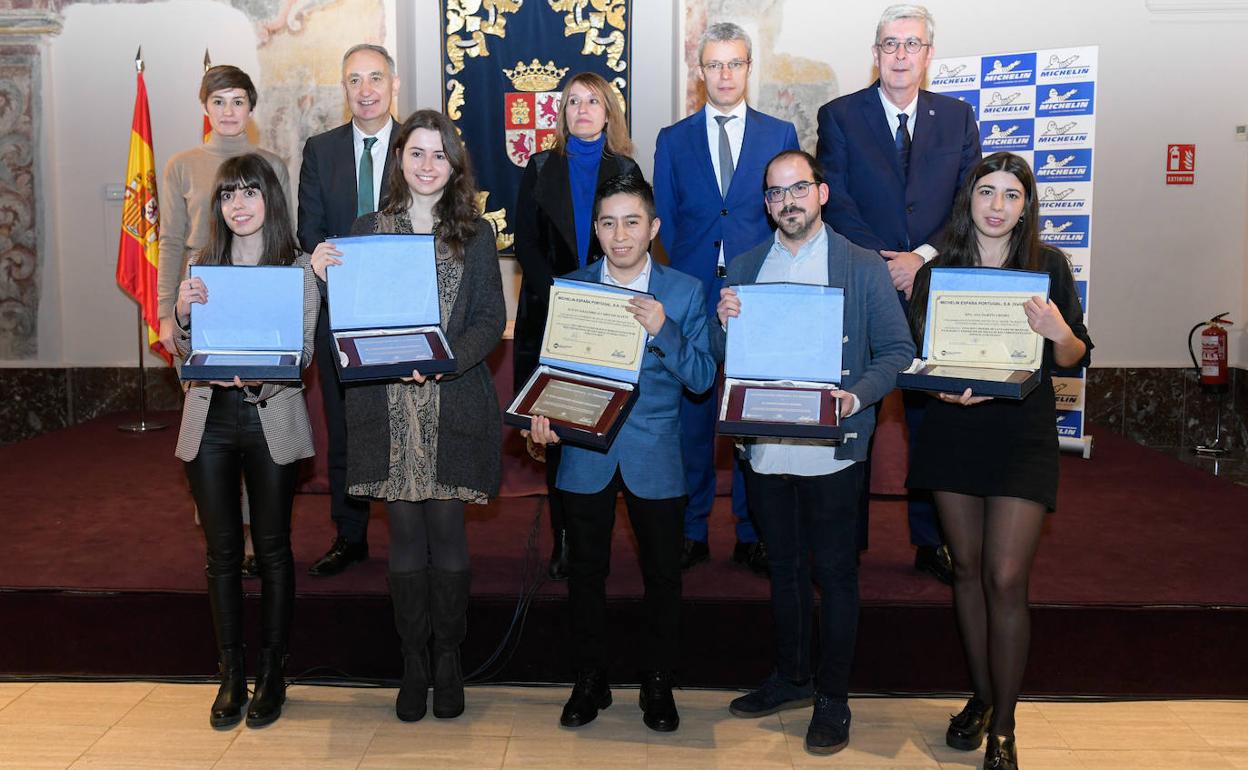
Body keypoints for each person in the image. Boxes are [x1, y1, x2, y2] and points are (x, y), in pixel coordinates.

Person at [311, 110, 505, 723]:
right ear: (399, 159)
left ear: (455, 165)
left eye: (438, 155)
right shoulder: (367, 229)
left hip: (450, 402)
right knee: (403, 538)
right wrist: (321, 274)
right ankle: (412, 662)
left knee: (446, 534)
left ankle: (447, 659)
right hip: (387, 403)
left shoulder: (475, 235)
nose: (427, 165)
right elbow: (351, 313)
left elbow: (489, 322)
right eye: (416, 153)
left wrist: (444, 361)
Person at [718, 151, 914, 755]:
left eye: (798, 188)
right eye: (775, 194)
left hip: (834, 451)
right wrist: (723, 323)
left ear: (822, 193)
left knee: (834, 574)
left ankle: (833, 697)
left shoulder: (860, 267)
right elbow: (732, 367)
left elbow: (897, 351)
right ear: (766, 203)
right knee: (782, 569)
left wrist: (854, 400)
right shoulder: (745, 270)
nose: (788, 202)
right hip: (768, 450)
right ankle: (791, 676)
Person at [906, 152, 1092, 770]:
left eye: (1011, 195)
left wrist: (1056, 328)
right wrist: (936, 386)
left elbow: (1073, 356)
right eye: (987, 192)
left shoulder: (1048, 268)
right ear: (970, 199)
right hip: (953, 432)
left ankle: (1005, 728)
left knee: (1005, 578)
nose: (997, 205)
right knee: (966, 570)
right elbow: (914, 355)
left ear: (1026, 207)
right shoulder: (939, 275)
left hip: (1021, 435)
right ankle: (982, 697)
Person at [526, 174, 715, 733]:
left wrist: (666, 331)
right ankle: (591, 679)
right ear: (597, 230)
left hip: (655, 453)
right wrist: (543, 423)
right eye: (608, 223)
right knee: (585, 573)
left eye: (632, 221)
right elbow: (551, 374)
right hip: (584, 453)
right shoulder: (573, 287)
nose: (620, 234)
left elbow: (703, 378)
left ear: (653, 228)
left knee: (663, 576)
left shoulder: (683, 291)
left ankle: (658, 684)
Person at [814, 3, 980, 582]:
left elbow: (968, 201)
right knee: (855, 408)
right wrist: (880, 262)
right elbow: (833, 197)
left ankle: (932, 541)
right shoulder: (838, 115)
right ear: (876, 52)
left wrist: (921, 258)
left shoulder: (958, 119)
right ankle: (844, 542)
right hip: (863, 281)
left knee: (931, 422)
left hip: (935, 284)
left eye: (912, 44)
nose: (901, 55)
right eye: (890, 44)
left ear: (928, 54)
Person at [172, 154, 317, 729]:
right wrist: (182, 314)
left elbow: (303, 352)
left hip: (270, 417)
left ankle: (273, 672)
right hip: (209, 420)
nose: (238, 204)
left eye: (249, 193)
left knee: (275, 549)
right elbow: (187, 355)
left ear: (270, 201)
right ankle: (230, 674)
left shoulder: (299, 267)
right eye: (228, 195)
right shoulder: (201, 266)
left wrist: (266, 368)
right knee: (222, 553)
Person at [653, 21, 799, 574]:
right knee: (692, 413)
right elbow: (663, 218)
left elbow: (788, 214)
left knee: (749, 410)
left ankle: (750, 529)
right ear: (700, 70)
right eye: (714, 64)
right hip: (691, 290)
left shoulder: (778, 132)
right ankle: (691, 529)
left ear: (748, 67)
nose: (724, 74)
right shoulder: (674, 138)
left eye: (734, 63)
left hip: (757, 288)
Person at [512, 71, 642, 581]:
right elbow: (525, 244)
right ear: (561, 114)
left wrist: (596, 294)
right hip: (549, 313)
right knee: (558, 429)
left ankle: (595, 534)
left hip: (610, 315)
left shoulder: (626, 168)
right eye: (572, 102)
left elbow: (632, 240)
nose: (582, 109)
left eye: (592, 101)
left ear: (609, 112)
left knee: (602, 422)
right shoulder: (541, 164)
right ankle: (564, 535)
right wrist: (565, 297)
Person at [297, 43, 402, 578]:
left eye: (376, 78)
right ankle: (350, 533)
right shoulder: (321, 149)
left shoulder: (419, 145)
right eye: (355, 79)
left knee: (404, 422)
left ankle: (412, 532)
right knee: (345, 428)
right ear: (344, 89)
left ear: (394, 84)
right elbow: (308, 230)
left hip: (407, 313)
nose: (366, 90)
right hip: (339, 312)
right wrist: (320, 255)